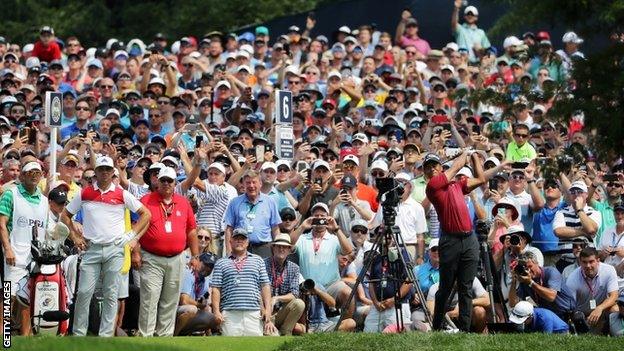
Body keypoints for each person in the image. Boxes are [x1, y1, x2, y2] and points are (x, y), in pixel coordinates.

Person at [60, 156, 151, 337]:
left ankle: (105, 337)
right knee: (84, 292)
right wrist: (75, 237)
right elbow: (65, 215)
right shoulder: (85, 193)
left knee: (111, 294)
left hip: (115, 249)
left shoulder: (121, 193)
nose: (104, 172)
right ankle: (78, 334)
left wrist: (131, 235)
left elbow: (145, 214)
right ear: (96, 172)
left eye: (107, 169)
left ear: (112, 172)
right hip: (91, 248)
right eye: (101, 169)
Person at [134, 167, 200, 337]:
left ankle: (164, 337)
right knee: (150, 298)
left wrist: (195, 256)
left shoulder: (183, 202)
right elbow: (134, 230)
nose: (166, 183)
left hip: (177, 258)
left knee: (170, 300)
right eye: (163, 180)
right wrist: (135, 252)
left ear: (175, 183)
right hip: (151, 257)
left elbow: (192, 231)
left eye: (169, 180)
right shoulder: (146, 200)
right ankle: (145, 337)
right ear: (157, 181)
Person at [424, 150, 486, 331]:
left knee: (466, 287)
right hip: (450, 240)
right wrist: (465, 152)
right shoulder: (433, 186)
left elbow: (481, 179)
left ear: (440, 167)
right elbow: (457, 166)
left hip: (469, 239)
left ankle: (465, 332)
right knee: (445, 287)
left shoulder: (457, 185)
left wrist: (474, 158)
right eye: (427, 168)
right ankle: (437, 327)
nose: (431, 170)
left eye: (434, 166)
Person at [0, 161, 48, 335]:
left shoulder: (44, 201)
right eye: (30, 172)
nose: (34, 175)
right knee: (7, 297)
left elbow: (45, 230)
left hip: (36, 259)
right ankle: (4, 336)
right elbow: (1, 224)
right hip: (14, 256)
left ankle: (25, 338)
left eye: (37, 172)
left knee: (27, 300)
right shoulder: (10, 194)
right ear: (22, 176)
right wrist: (8, 249)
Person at [290, 202, 354, 316]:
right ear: (311, 217)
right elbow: (289, 245)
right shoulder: (303, 238)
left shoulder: (334, 238)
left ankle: (345, 326)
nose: (319, 219)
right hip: (308, 285)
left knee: (348, 293)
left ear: (328, 218)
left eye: (322, 216)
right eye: (316, 216)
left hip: (331, 285)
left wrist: (336, 229)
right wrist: (302, 227)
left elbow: (348, 250)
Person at [211, 228, 277, 336]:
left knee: (254, 345)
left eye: (242, 239)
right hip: (230, 312)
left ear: (247, 242)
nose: (239, 241)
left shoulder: (258, 260)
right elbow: (216, 289)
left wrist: (268, 309)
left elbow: (265, 286)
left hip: (254, 312)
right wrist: (216, 311)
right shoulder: (221, 263)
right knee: (231, 346)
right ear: (230, 241)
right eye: (236, 238)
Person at [224, 170, 281, 258]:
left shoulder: (270, 201)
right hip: (241, 248)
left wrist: (277, 250)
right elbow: (229, 229)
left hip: (264, 248)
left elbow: (275, 228)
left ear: (260, 183)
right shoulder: (235, 202)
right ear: (243, 184)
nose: (251, 186)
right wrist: (228, 252)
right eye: (248, 183)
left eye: (254, 182)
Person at [566, 247, 620, 334]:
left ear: (598, 261)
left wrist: (600, 308)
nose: (588, 266)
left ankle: (612, 335)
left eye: (591, 262)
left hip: (602, 311)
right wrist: (577, 317)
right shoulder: (572, 278)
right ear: (580, 262)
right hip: (583, 316)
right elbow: (569, 305)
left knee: (615, 309)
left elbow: (614, 296)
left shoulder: (609, 270)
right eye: (584, 262)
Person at [509, 251, 576, 319]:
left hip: (567, 314)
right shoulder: (525, 280)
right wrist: (514, 280)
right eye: (525, 268)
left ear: (537, 263)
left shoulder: (551, 272)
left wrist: (531, 283)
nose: (528, 270)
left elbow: (551, 297)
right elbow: (513, 303)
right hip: (549, 316)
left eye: (530, 266)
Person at [264, 233, 305, 336]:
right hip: (265, 311)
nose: (281, 249)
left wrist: (277, 298)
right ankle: (270, 329)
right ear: (273, 248)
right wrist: (266, 310)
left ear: (289, 250)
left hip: (282, 311)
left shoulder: (294, 268)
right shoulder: (263, 264)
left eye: (285, 247)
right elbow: (258, 291)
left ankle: (286, 332)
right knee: (270, 336)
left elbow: (294, 294)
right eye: (278, 246)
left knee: (299, 303)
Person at [426, 277, 490, 333]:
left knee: (480, 311)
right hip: (447, 321)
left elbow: (487, 301)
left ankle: (478, 335)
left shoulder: (472, 280)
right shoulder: (435, 288)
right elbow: (431, 314)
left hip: (468, 317)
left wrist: (465, 304)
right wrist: (449, 315)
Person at [176, 252, 219, 336]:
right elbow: (184, 301)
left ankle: (197, 334)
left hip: (187, 310)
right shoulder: (189, 273)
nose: (207, 269)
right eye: (205, 264)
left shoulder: (205, 279)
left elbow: (202, 302)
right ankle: (174, 335)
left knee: (210, 314)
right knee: (192, 309)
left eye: (210, 267)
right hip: (174, 310)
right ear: (198, 261)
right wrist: (200, 305)